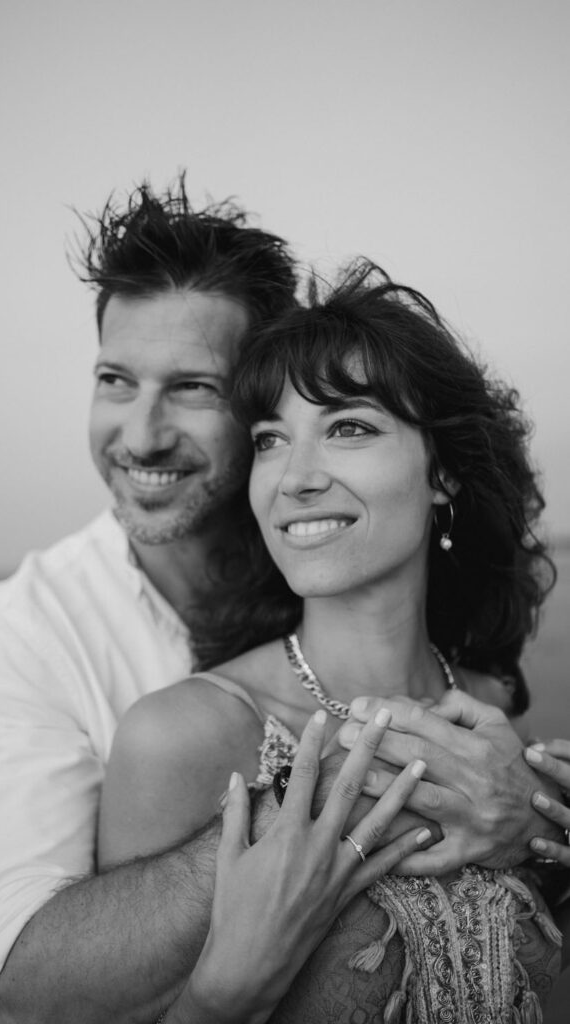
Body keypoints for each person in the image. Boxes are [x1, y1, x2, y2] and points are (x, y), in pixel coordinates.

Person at [0, 178, 565, 1024]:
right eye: (116, 379)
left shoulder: (478, 698)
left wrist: (546, 819)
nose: (144, 433)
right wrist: (336, 791)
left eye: (195, 388)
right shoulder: (44, 640)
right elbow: (20, 995)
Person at [98, 259, 564, 1020]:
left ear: (441, 471)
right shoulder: (184, 735)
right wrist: (222, 996)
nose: (295, 477)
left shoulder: (491, 717)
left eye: (348, 427)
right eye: (271, 439)